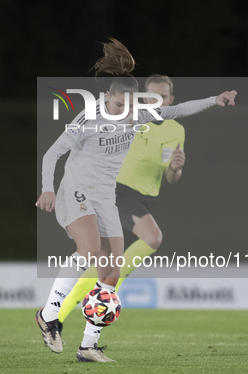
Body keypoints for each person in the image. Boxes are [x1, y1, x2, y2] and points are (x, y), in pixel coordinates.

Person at [35, 39, 236, 362]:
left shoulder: (138, 113)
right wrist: (47, 188)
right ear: (108, 97)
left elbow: (178, 110)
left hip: (104, 197)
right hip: (76, 190)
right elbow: (52, 153)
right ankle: (49, 316)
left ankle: (87, 346)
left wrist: (216, 99)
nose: (124, 111)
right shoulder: (89, 118)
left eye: (129, 105)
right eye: (119, 105)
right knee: (88, 251)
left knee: (111, 272)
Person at [57, 75, 186, 322]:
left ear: (171, 100)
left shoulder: (176, 129)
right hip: (118, 192)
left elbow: (171, 177)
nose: (155, 102)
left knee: (101, 265)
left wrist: (176, 168)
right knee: (153, 237)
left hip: (146, 199)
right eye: (150, 97)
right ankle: (107, 292)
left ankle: (55, 316)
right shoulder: (128, 118)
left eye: (161, 98)